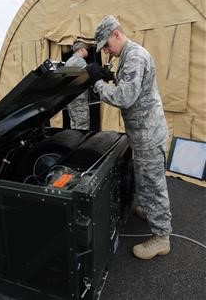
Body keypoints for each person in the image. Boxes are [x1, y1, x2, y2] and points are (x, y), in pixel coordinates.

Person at [86, 15, 172, 260]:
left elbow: (124, 97)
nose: (106, 51)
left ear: (116, 33)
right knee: (146, 178)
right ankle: (150, 208)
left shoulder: (134, 56)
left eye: (106, 45)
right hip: (143, 131)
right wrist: (109, 77)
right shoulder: (126, 55)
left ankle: (161, 236)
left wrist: (97, 83)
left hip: (148, 134)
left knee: (152, 183)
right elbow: (130, 86)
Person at [65, 41, 90, 130]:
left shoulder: (68, 62)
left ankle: (73, 143)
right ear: (82, 49)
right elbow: (88, 77)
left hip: (70, 98)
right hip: (80, 99)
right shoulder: (80, 61)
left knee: (74, 123)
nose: (88, 51)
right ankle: (81, 143)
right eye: (86, 49)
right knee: (83, 125)